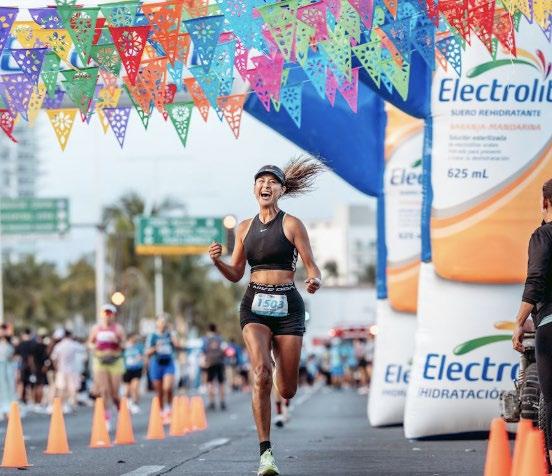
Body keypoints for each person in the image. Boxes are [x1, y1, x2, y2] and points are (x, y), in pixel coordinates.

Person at [208, 157, 323, 476]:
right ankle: (265, 453)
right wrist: (217, 262)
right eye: (260, 181)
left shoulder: (292, 224)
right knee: (260, 371)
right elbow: (236, 273)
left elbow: (311, 266)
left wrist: (314, 279)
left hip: (288, 306)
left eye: (272, 181)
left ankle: (278, 367)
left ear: (282, 190)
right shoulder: (244, 228)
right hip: (255, 304)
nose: (266, 185)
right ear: (254, 189)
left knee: (286, 390)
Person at [512, 178, 552, 462]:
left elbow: (536, 279)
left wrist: (519, 322)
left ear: (546, 202)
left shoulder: (543, 235)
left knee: (551, 398)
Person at [88, 304, 125, 428]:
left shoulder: (118, 329)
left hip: (115, 361)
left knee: (114, 393)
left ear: (113, 315)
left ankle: (122, 413)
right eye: (105, 313)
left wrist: (118, 342)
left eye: (109, 314)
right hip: (101, 361)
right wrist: (94, 347)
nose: (107, 316)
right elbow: (90, 343)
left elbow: (124, 344)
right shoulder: (96, 328)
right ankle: (106, 418)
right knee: (104, 390)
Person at [146, 315, 178, 421]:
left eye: (164, 322)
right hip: (156, 364)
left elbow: (177, 345)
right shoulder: (152, 336)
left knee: (167, 387)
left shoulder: (170, 334)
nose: (162, 324)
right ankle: (161, 410)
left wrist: (173, 337)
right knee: (159, 391)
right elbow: (147, 352)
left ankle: (169, 408)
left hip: (168, 363)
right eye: (160, 322)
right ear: (157, 323)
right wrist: (155, 348)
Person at [50, 330, 85, 413]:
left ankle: (61, 405)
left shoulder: (59, 346)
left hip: (61, 370)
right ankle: (73, 406)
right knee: (73, 389)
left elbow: (54, 358)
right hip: (72, 370)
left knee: (61, 388)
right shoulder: (73, 344)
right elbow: (83, 349)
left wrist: (56, 367)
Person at [202, 323, 227, 411]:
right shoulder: (220, 338)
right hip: (219, 362)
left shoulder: (205, 339)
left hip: (210, 363)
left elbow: (203, 350)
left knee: (210, 383)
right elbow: (224, 350)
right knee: (221, 383)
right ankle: (222, 401)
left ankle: (212, 402)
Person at [123, 333, 145, 414]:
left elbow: (144, 357)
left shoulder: (139, 346)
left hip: (137, 369)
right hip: (127, 370)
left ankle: (135, 404)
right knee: (127, 390)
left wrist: (144, 367)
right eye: (133, 338)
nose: (135, 339)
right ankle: (127, 404)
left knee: (135, 387)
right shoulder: (125, 346)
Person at [0, 324, 16, 419]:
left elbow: (11, 357)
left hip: (7, 368)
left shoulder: (9, 345)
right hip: (3, 368)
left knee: (8, 388)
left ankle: (8, 410)